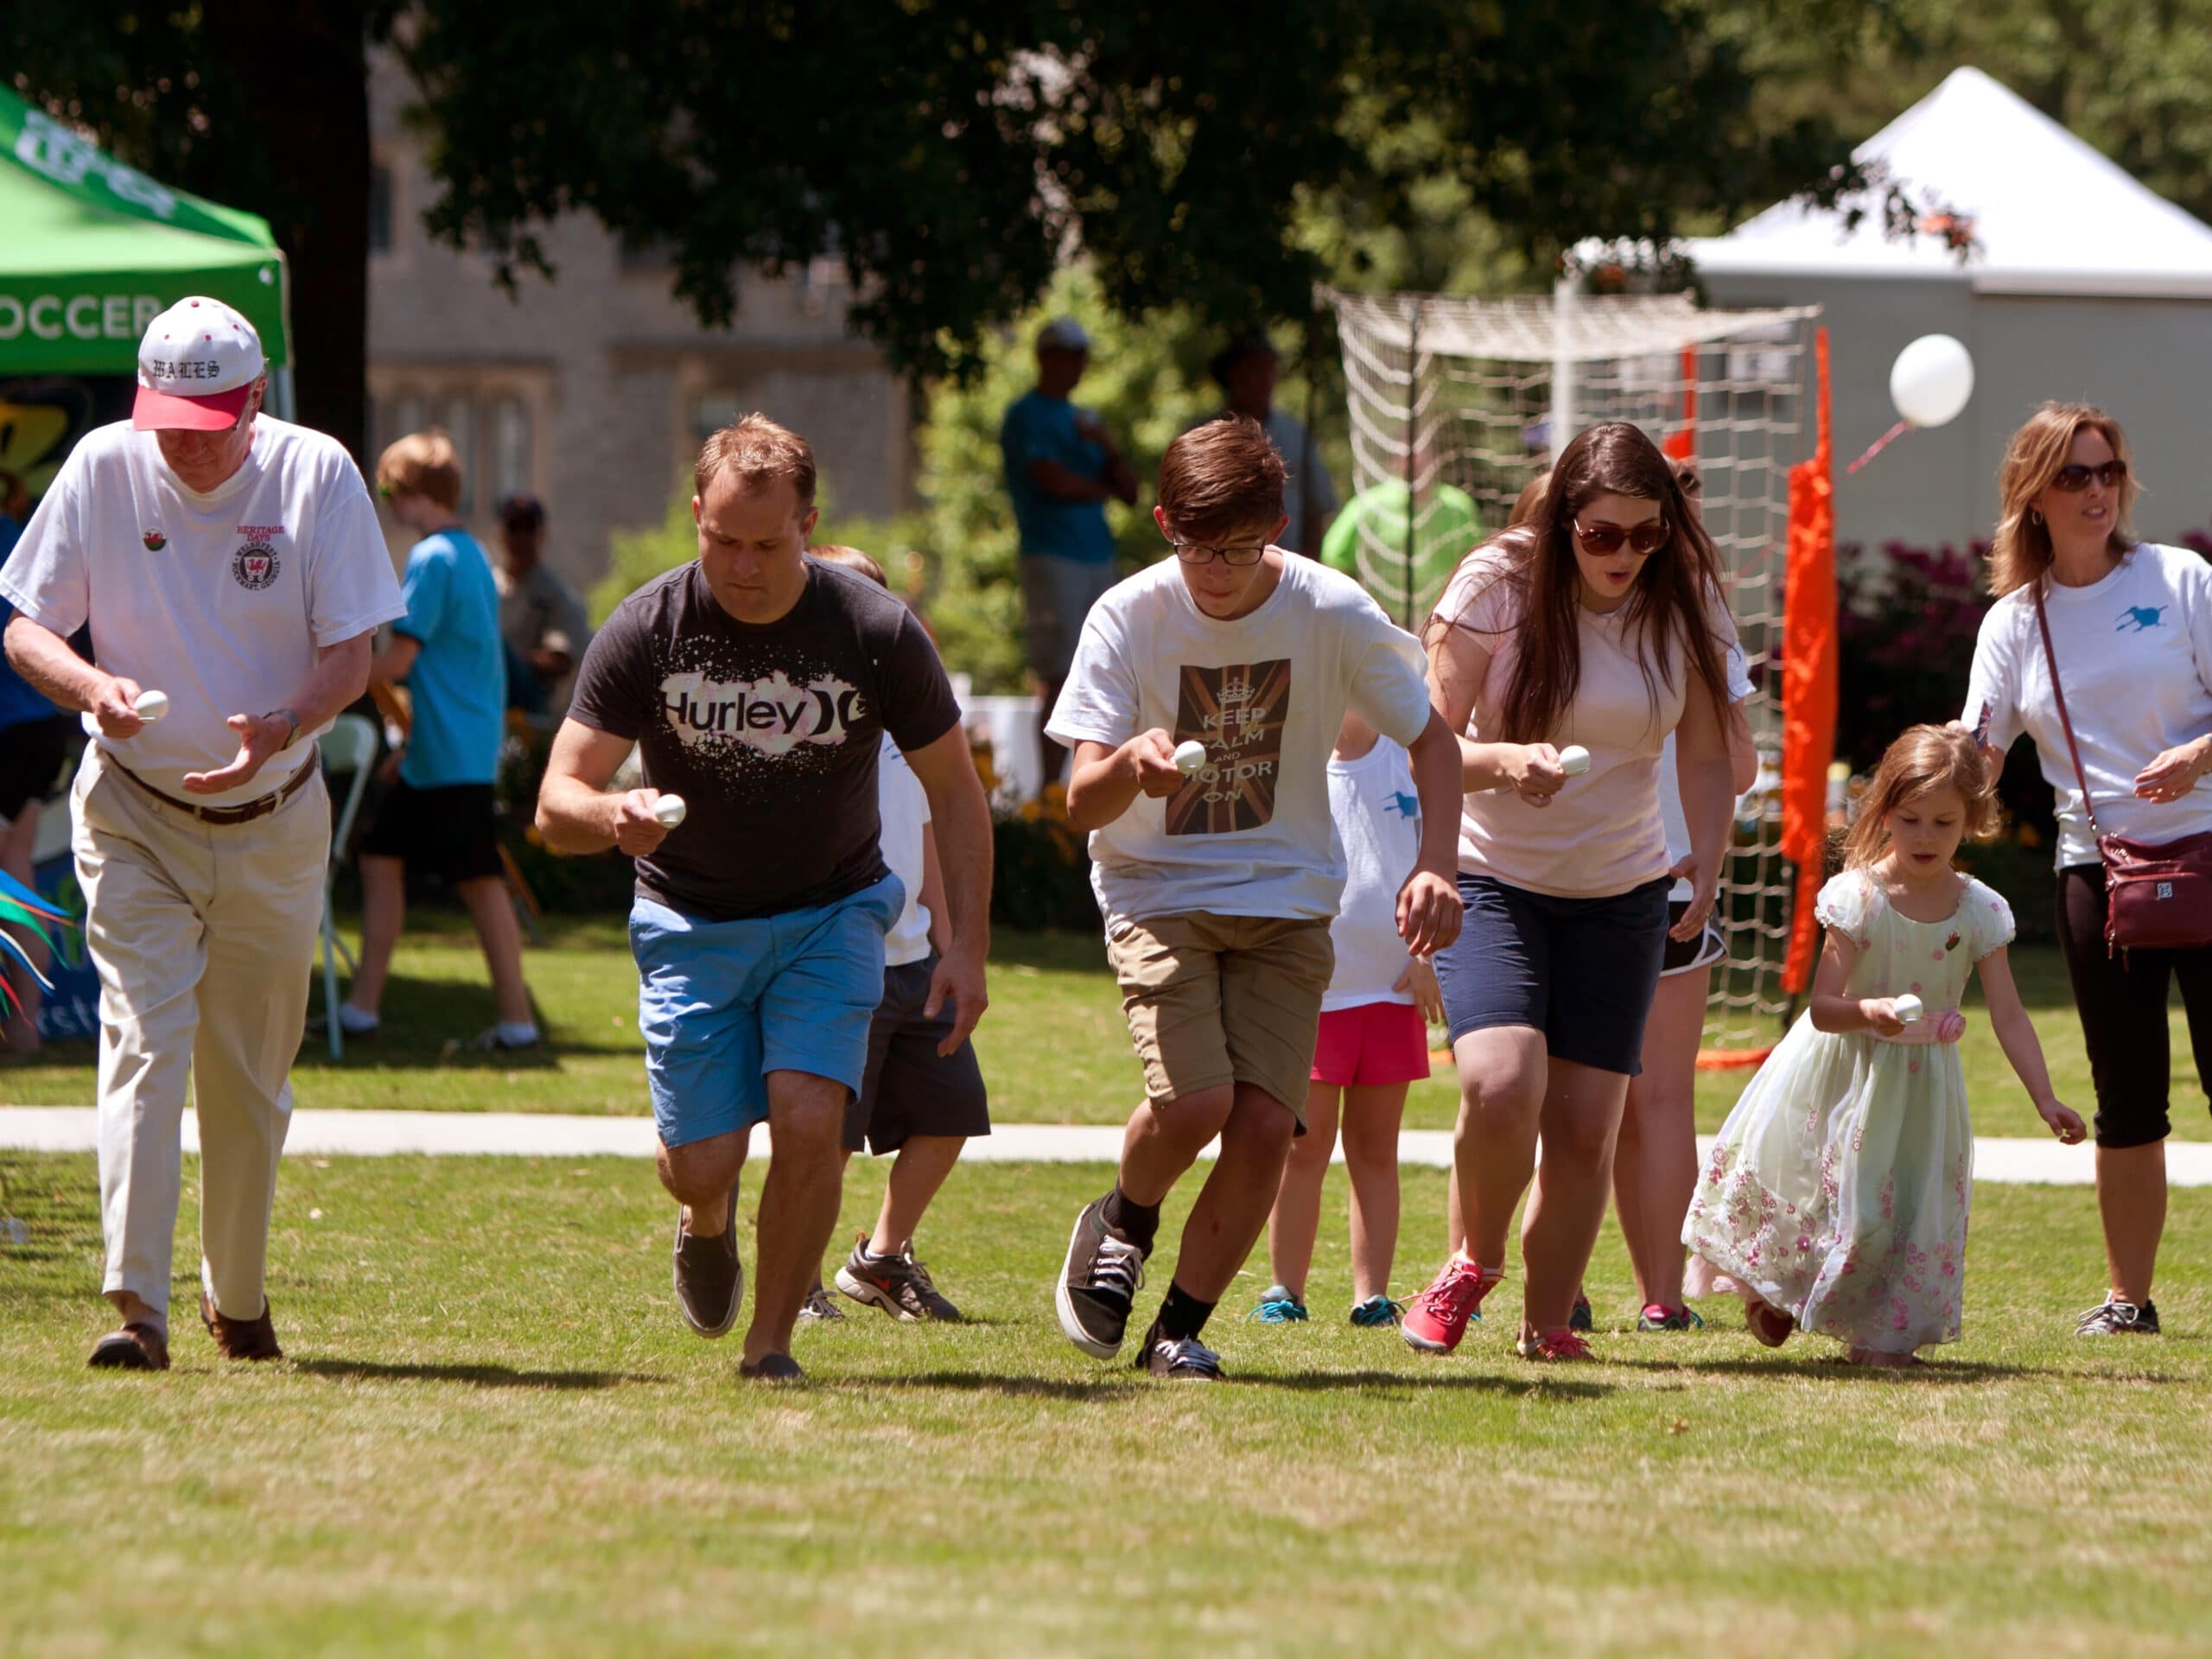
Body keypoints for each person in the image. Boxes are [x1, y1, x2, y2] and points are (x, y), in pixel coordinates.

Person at [537, 415, 992, 1382]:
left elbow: (956, 791)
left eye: (768, 545)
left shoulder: (872, 630)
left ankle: (770, 1343)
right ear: (696, 517)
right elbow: (553, 804)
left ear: (808, 523)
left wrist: (967, 949)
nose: (742, 568)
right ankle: (707, 1222)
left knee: (809, 1117)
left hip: (833, 911)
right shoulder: (648, 628)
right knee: (701, 1164)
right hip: (691, 920)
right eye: (722, 542)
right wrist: (612, 813)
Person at [1, 296, 403, 1370]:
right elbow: (26, 624)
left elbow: (353, 655)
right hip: (132, 810)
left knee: (247, 1076)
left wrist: (283, 724)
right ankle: (138, 1308)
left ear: (256, 399)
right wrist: (93, 688)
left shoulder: (317, 472)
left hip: (274, 818)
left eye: (208, 418)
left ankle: (239, 1296)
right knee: (143, 1042)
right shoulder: (101, 463)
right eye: (167, 414)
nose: (183, 437)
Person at [1046, 416, 1464, 1382]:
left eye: (1236, 549)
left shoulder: (1332, 610)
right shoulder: (1128, 615)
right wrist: (1131, 766)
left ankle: (1174, 1329)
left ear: (1275, 528)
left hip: (1287, 895)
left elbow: (1432, 741)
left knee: (1270, 1125)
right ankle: (1122, 1219)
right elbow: (1079, 798)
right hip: (1159, 888)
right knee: (1197, 1103)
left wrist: (1435, 861)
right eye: (1195, 547)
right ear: (1162, 524)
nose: (1215, 572)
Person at [1403, 422, 1735, 1363]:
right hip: (1492, 879)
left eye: (1645, 534)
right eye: (1602, 535)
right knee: (1501, 1084)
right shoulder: (1495, 588)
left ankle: (1548, 1325)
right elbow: (1431, 748)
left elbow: (1707, 753)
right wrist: (1505, 762)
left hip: (1623, 891)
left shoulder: (1686, 604)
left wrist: (1704, 861)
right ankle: (1470, 1260)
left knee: (1588, 1126)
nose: (1625, 555)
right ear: (1561, 523)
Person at [1682, 725, 2085, 1364]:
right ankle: (1774, 1291)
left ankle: (1883, 1329)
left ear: (1973, 820)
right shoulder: (1860, 897)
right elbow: (1822, 1008)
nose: (1926, 837)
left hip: (1923, 1085)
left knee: (1900, 1206)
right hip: (1845, 1071)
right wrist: (1867, 1011)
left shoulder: (1979, 911)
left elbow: (2009, 1015)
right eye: (1911, 819)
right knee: (1834, 1194)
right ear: (1884, 812)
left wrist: (2045, 1098)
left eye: (1944, 822)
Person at [1961, 402, 2212, 1338]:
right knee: (2128, 1093)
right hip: (2099, 875)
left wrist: (2196, 758)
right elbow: (1977, 756)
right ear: (2033, 493)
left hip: (2208, 847)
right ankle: (2128, 1300)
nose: (2097, 490)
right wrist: (1922, 789)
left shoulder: (2180, 579)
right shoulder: (2013, 624)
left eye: (2107, 471)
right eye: (2074, 475)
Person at [803, 544, 989, 1325]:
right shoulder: (807, 721)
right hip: (840, 965)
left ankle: (880, 1259)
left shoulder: (912, 728)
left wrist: (955, 945)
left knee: (951, 1116)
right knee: (828, 1141)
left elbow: (932, 841)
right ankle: (800, 1277)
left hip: (916, 963)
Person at [327, 431, 538, 1052]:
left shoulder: (432, 558)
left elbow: (398, 660)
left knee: (478, 882)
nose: (388, 503)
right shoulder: (468, 553)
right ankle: (363, 1009)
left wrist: (323, 675)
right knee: (380, 858)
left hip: (452, 755)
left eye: (390, 490)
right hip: (450, 749)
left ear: (413, 493)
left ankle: (517, 1022)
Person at [1609, 456, 1759, 1332]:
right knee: (1659, 1101)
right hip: (1662, 876)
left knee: (1575, 1099)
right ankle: (1661, 1297)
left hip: (1587, 872)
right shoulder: (1697, 611)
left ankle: (1563, 1291)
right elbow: (1736, 767)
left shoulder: (1567, 595)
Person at [1247, 710, 1442, 1329]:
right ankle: (1285, 1291)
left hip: (1391, 993)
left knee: (1376, 1151)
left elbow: (1434, 864)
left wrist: (1428, 957)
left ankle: (1372, 1296)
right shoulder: (1291, 757)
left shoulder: (1410, 757)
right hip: (1314, 995)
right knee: (1302, 1148)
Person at [1000, 317, 1138, 791]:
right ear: (1044, 358)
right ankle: (1048, 795)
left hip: (1098, 557)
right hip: (1050, 554)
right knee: (1059, 673)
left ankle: (1091, 787)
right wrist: (1101, 485)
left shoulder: (1088, 420)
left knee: (1108, 667)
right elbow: (1050, 479)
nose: (1075, 364)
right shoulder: (1025, 415)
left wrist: (1106, 446)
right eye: (1066, 354)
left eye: (1080, 355)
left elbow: (1133, 491)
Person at [0, 483, 69, 1056]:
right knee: (16, 875)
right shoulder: (21, 539)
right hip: (38, 729)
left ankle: (19, 1029)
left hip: (10, 730)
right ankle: (26, 1029)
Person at [1203, 332, 1338, 558]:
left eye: (1269, 370)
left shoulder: (1297, 435)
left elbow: (1316, 509)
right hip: (1218, 564)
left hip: (1285, 565)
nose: (1263, 380)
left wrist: (1310, 564)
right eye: (1254, 370)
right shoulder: (1203, 434)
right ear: (1232, 376)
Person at [1319, 468, 1483, 629]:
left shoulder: (1460, 506)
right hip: (1379, 628)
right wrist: (1359, 608)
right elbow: (1333, 559)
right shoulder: (1369, 504)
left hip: (1444, 627)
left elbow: (1480, 568)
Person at [494, 491, 592, 717]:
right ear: (501, 532)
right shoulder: (490, 585)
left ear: (540, 535)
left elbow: (562, 661)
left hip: (533, 708)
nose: (521, 538)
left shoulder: (554, 594)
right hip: (491, 698)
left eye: (528, 529)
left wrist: (511, 660)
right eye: (514, 527)